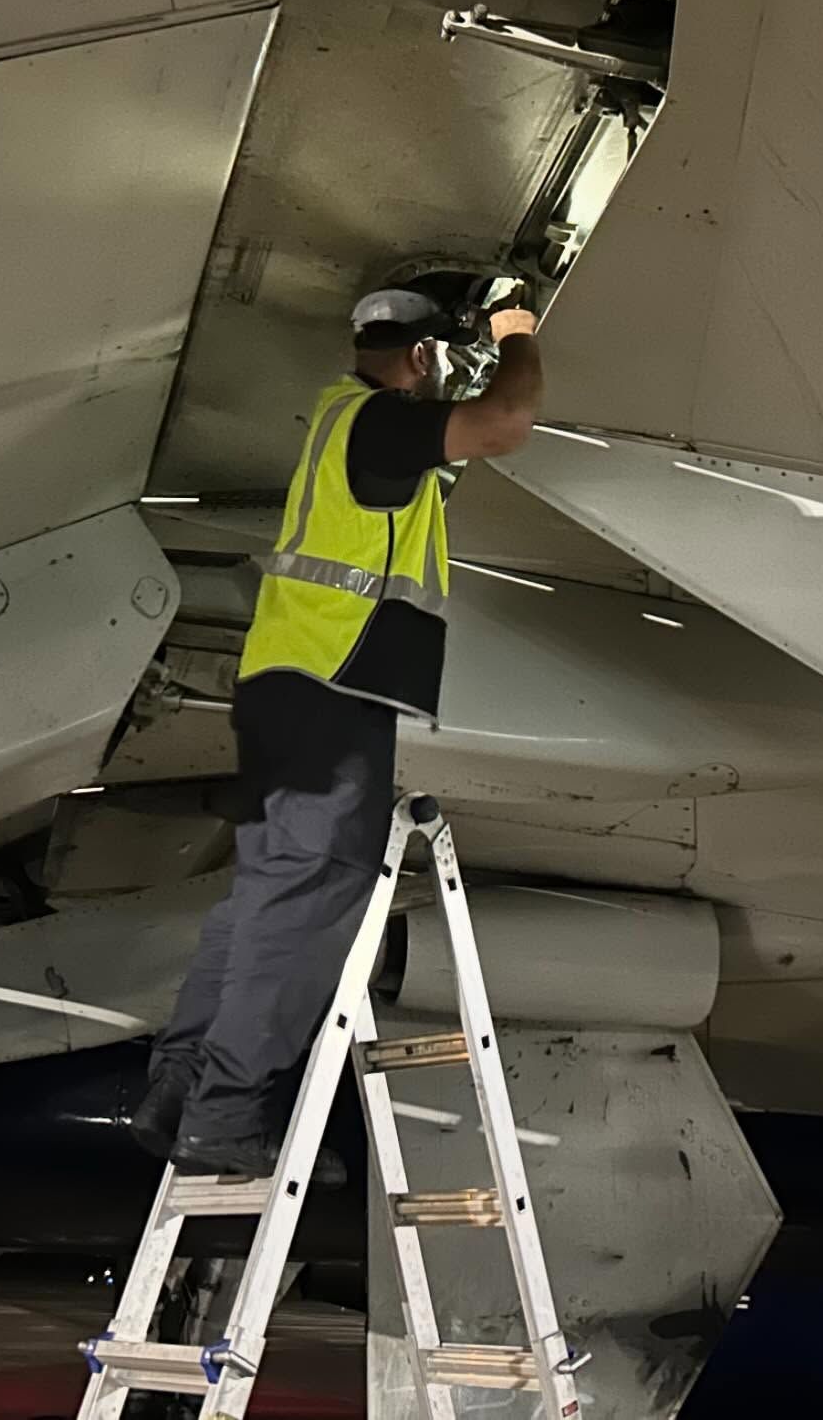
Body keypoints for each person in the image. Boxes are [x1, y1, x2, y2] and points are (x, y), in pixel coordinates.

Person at [131, 285, 543, 1182]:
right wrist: (515, 337)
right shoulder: (381, 427)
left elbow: (447, 467)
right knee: (314, 895)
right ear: (425, 356)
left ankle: (177, 1091)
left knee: (260, 900)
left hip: (289, 688)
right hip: (332, 687)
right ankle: (225, 1115)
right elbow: (506, 421)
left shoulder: (349, 428)